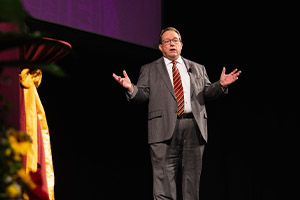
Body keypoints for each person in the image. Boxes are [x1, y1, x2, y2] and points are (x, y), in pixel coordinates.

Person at [112, 27, 241, 200]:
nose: (172, 43)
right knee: (163, 184)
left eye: (175, 40)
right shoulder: (149, 69)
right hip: (163, 129)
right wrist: (131, 88)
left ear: (181, 45)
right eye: (167, 41)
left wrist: (221, 85)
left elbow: (207, 93)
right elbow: (142, 96)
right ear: (160, 47)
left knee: (191, 185)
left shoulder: (197, 68)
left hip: (194, 128)